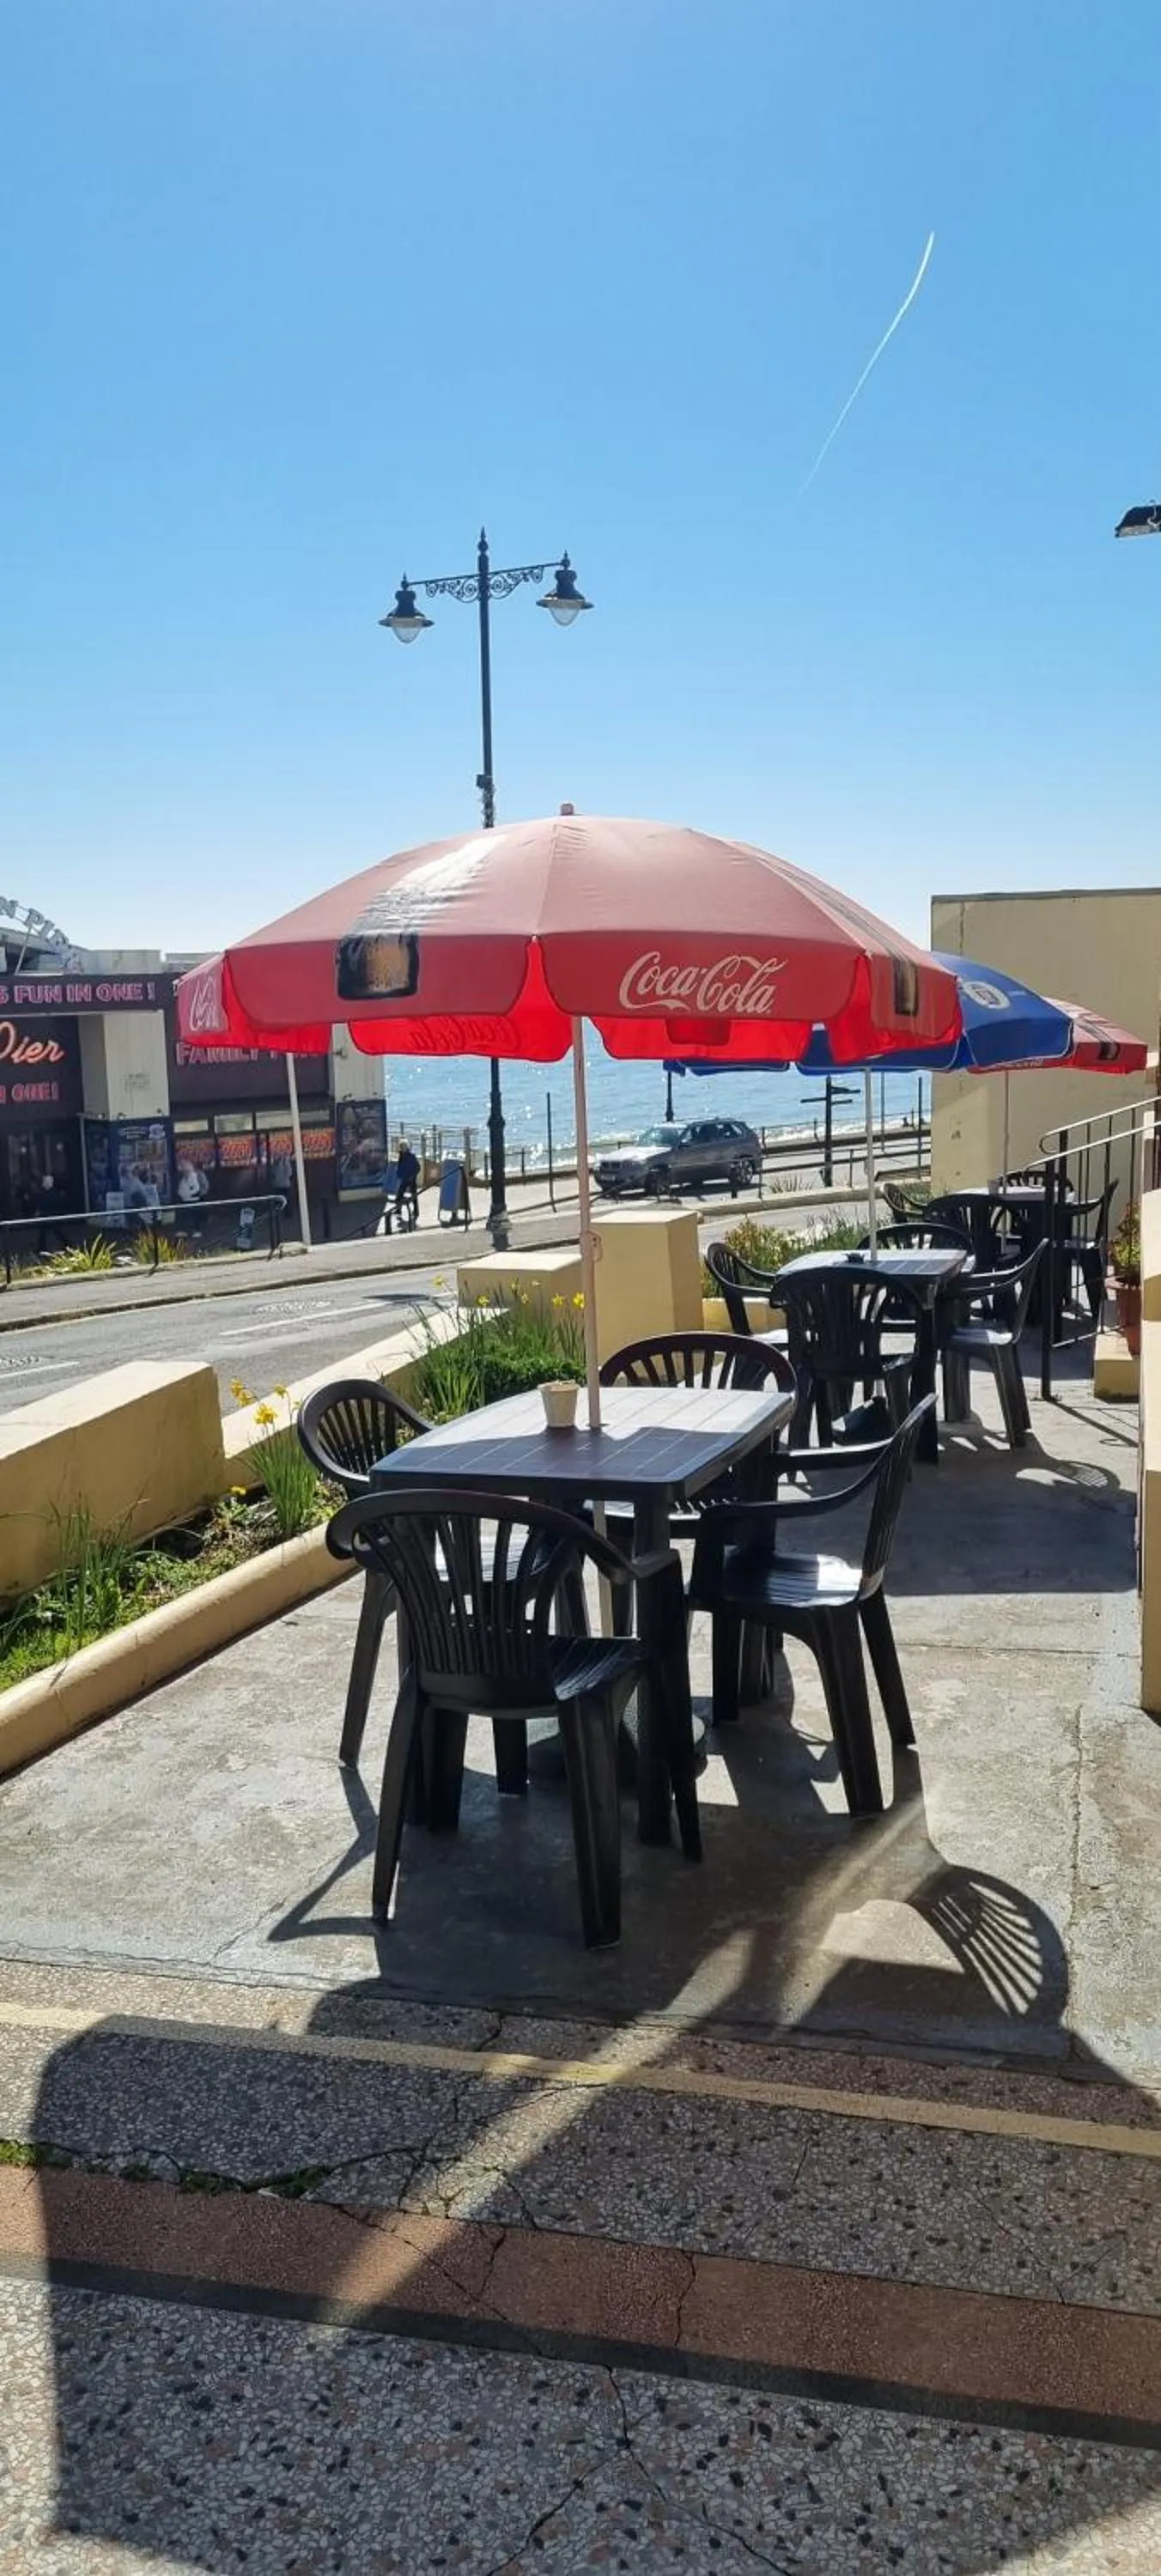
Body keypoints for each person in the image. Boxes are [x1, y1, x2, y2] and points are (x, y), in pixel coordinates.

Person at [394, 1139, 420, 1229]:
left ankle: (416, 1211)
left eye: (403, 1147)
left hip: (411, 1178)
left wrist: (412, 1176)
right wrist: (399, 1174)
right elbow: (400, 1167)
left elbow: (417, 1167)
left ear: (406, 1147)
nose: (402, 1148)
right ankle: (398, 1210)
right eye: (401, 1147)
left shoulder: (411, 1156)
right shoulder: (401, 1156)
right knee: (399, 1195)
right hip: (404, 1179)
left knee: (414, 1196)